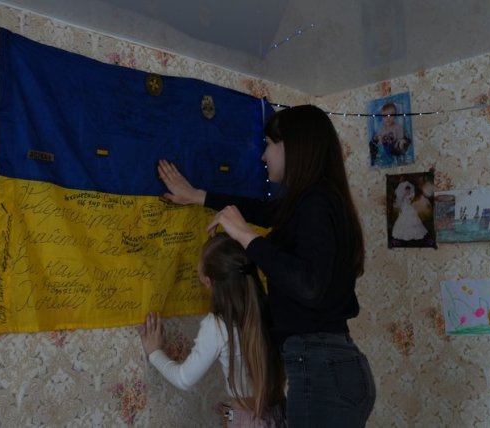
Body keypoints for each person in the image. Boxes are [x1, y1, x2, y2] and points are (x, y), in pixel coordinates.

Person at [156, 105, 376, 427]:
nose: (263, 155)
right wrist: (199, 196)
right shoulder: (311, 202)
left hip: (323, 370)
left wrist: (246, 236)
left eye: (269, 144)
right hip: (330, 366)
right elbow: (263, 211)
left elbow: (308, 285)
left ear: (293, 146)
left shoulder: (317, 202)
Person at [140, 233, 286, 427]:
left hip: (245, 419)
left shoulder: (218, 325)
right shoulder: (269, 310)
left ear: (207, 281)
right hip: (280, 414)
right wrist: (230, 415)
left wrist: (154, 352)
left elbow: (184, 379)